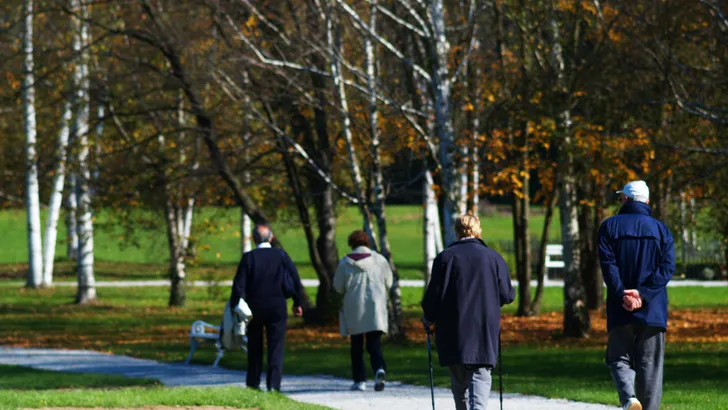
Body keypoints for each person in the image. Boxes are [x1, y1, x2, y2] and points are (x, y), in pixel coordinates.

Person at [422, 214, 515, 410]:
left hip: (453, 328)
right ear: (478, 230)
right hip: (483, 326)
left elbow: (432, 297)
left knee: (459, 382)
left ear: (456, 231)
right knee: (480, 376)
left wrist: (428, 318)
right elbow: (507, 295)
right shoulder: (493, 258)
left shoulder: (445, 258)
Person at [598, 180, 675, 410]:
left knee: (618, 358)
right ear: (648, 201)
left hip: (620, 307)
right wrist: (643, 294)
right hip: (653, 309)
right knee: (650, 366)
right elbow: (666, 269)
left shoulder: (609, 227)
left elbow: (608, 266)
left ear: (625, 199)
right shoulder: (662, 231)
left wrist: (623, 294)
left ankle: (629, 398)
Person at [229, 224, 304, 392]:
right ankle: (273, 386)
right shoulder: (281, 255)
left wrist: (235, 306)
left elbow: (238, 285)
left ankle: (253, 384)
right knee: (276, 347)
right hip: (277, 306)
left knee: (254, 347)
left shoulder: (249, 258)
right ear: (271, 238)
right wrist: (297, 302)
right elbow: (295, 279)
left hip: (254, 308)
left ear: (254, 239)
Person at [334, 230, 393, 392]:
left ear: (351, 244)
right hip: (375, 307)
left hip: (354, 308)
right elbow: (389, 282)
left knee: (357, 346)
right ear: (367, 242)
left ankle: (359, 380)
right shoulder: (380, 260)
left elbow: (338, 287)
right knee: (374, 344)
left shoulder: (345, 262)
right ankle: (379, 368)